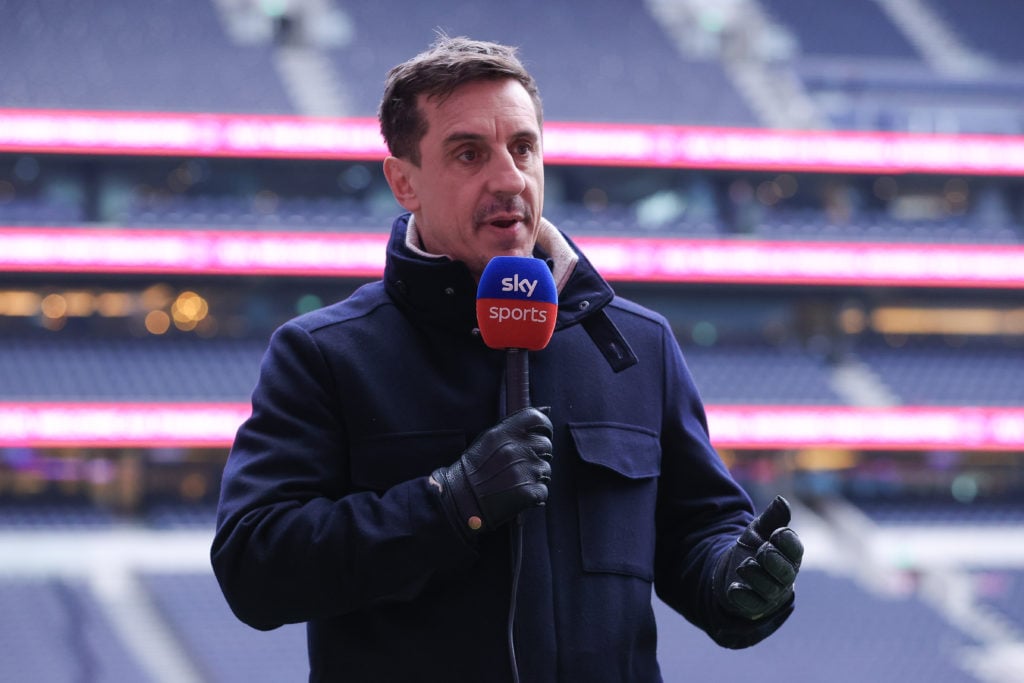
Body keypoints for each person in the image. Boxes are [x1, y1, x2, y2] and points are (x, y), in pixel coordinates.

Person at [211, 35, 803, 682]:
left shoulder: (638, 344)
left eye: (523, 148)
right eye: (469, 153)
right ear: (403, 180)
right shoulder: (323, 354)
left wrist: (733, 581)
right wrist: (447, 503)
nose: (509, 177)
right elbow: (253, 565)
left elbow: (699, 528)